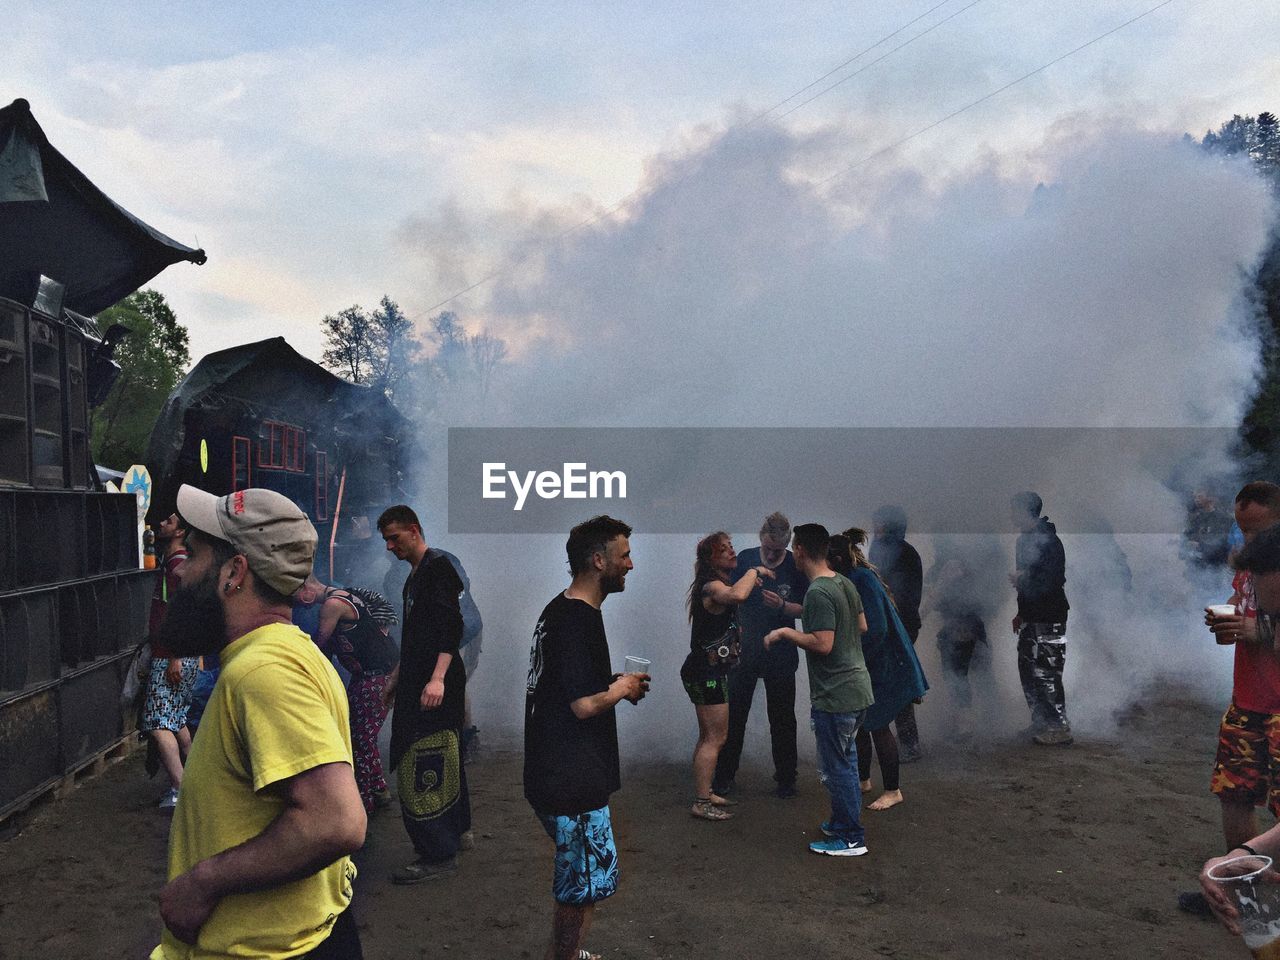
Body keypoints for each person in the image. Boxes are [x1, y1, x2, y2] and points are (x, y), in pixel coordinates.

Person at [149, 485, 366, 960]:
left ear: (235, 572)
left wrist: (203, 883)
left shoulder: (265, 671)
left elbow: (337, 821)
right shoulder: (287, 653)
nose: (182, 568)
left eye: (197, 552)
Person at [524, 515, 649, 960]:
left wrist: (615, 682)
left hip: (554, 771)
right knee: (580, 887)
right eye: (624, 556)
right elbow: (582, 705)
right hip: (572, 778)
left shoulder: (560, 610)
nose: (631, 565)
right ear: (599, 560)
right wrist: (621, 689)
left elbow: (567, 686)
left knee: (583, 880)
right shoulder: (576, 619)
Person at [1183, 482, 1280, 916]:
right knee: (1235, 794)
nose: (1249, 539)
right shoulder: (1250, 563)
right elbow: (1245, 607)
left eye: (1258, 530)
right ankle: (1239, 892)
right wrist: (1228, 618)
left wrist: (1257, 631)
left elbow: (1264, 625)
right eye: (1243, 530)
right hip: (1248, 700)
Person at [764, 523, 873, 856]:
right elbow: (861, 626)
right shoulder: (843, 583)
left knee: (837, 767)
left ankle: (851, 838)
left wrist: (784, 633)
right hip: (856, 689)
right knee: (846, 762)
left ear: (799, 550)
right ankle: (842, 824)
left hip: (837, 695)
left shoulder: (818, 592)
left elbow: (822, 644)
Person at [377, 504, 471, 884]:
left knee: (425, 755)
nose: (389, 547)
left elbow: (452, 627)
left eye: (394, 538)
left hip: (436, 682)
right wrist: (398, 675)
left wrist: (437, 679)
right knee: (442, 750)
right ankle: (456, 829)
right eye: (386, 540)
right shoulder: (415, 576)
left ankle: (436, 852)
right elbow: (417, 635)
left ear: (414, 530)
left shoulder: (439, 569)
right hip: (420, 677)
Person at [712, 512, 807, 800]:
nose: (770, 554)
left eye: (776, 550)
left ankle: (787, 779)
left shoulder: (794, 565)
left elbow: (806, 608)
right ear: (760, 539)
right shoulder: (745, 558)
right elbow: (729, 597)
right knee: (735, 715)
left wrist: (783, 605)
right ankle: (724, 776)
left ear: (786, 545)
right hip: (746, 649)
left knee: (782, 719)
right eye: (766, 548)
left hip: (781, 651)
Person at [831, 530, 928, 812]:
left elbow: (876, 630)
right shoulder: (854, 577)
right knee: (862, 721)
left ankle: (892, 790)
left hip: (884, 664)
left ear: (837, 558)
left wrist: (852, 656)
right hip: (873, 662)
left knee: (878, 725)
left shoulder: (862, 579)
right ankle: (863, 780)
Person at [681, 531, 774, 820]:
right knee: (716, 738)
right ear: (712, 559)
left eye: (732, 547)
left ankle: (705, 792)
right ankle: (701, 802)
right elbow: (737, 595)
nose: (732, 552)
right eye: (724, 550)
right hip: (705, 673)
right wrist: (754, 570)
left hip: (707, 671)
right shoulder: (711, 586)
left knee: (709, 736)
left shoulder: (717, 584)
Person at [294, 575, 400, 812]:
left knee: (360, 741)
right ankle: (379, 789)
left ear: (307, 589)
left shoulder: (333, 605)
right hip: (372, 675)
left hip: (376, 677)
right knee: (361, 736)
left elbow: (320, 645)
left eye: (296, 595)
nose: (298, 604)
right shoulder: (346, 596)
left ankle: (363, 802)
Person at [144, 511, 200, 810]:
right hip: (178, 655)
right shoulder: (177, 563)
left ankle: (181, 791)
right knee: (176, 720)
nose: (162, 524)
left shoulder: (178, 567)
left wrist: (176, 654)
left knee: (157, 722)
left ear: (180, 532)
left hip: (171, 657)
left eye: (168, 521)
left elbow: (187, 614)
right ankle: (191, 781)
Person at [1009, 491, 1072, 746]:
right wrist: (1021, 612)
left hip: (1050, 615)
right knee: (1028, 670)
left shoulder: (1050, 542)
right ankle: (1040, 722)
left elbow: (1053, 581)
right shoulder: (1023, 541)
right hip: (1031, 616)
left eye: (1015, 511)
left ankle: (1059, 727)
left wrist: (1023, 580)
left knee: (1047, 672)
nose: (1012, 517)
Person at [869, 505, 924, 762]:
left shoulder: (886, 550)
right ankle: (905, 742)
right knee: (896, 680)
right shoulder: (908, 551)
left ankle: (904, 743)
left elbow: (883, 589)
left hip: (893, 626)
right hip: (904, 624)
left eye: (877, 522)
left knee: (893, 681)